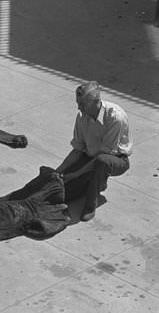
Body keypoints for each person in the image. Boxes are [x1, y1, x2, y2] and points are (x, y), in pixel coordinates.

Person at [52, 81, 132, 221]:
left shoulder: (115, 118)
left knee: (100, 164)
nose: (79, 107)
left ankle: (90, 205)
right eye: (78, 103)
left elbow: (104, 154)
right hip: (89, 156)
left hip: (114, 159)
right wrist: (59, 171)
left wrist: (78, 173)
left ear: (96, 102)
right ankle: (95, 182)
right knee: (63, 189)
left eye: (83, 104)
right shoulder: (82, 116)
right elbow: (78, 150)